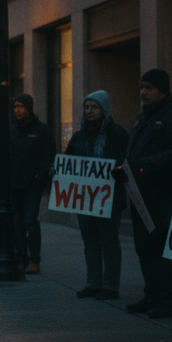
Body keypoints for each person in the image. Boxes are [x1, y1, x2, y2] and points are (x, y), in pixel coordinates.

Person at [117, 69, 172, 318]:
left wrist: (143, 165)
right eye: (141, 87)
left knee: (165, 248)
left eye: (149, 88)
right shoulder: (143, 117)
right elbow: (134, 151)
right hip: (141, 194)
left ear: (163, 90)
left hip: (164, 194)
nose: (143, 93)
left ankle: (168, 300)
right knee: (145, 246)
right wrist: (125, 168)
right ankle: (151, 296)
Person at [66, 91, 130, 299]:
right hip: (84, 198)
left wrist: (117, 169)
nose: (89, 111)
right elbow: (68, 160)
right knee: (90, 241)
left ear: (104, 109)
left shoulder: (117, 133)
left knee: (109, 241)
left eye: (94, 107)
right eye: (87, 107)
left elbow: (126, 160)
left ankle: (110, 286)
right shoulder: (79, 136)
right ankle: (93, 283)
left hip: (108, 198)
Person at [10, 94, 55, 274]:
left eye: (21, 106)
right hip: (15, 185)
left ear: (29, 107)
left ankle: (34, 260)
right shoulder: (13, 130)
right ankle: (22, 258)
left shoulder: (41, 130)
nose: (17, 110)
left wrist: (39, 177)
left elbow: (48, 156)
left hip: (32, 186)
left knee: (31, 223)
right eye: (15, 106)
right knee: (18, 224)